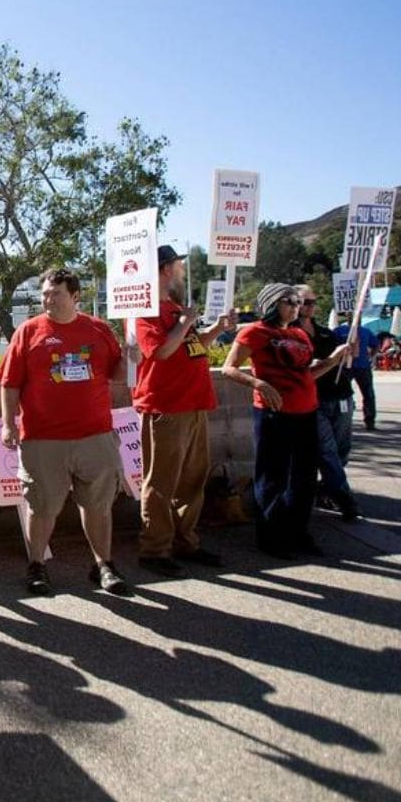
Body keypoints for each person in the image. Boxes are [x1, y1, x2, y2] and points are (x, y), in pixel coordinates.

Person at [0, 268, 131, 597]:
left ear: (75, 297)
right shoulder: (28, 332)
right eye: (44, 294)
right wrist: (7, 423)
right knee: (41, 507)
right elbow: (9, 382)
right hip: (43, 438)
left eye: (55, 294)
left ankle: (103, 565)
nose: (47, 299)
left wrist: (132, 358)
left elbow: (117, 375)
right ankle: (37, 566)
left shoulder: (98, 330)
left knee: (98, 505)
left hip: (95, 435)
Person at [221, 283, 351, 558]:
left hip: (306, 411)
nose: (296, 306)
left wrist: (332, 360)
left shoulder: (300, 334)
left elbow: (306, 373)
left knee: (303, 478)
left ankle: (298, 532)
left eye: (298, 301)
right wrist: (258, 384)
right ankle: (271, 538)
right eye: (289, 301)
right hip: (273, 413)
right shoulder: (254, 331)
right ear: (271, 304)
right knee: (272, 476)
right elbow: (229, 368)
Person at [132, 246, 233, 577]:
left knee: (192, 479)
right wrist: (184, 322)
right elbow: (160, 352)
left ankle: (185, 541)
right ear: (165, 269)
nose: (181, 271)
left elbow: (192, 347)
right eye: (177, 265)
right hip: (166, 406)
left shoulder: (174, 308)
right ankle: (154, 550)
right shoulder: (146, 311)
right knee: (161, 481)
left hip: (194, 404)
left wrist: (216, 328)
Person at [295, 286, 358, 521]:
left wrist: (350, 348)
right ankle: (344, 498)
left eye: (313, 301)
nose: (309, 306)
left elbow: (346, 359)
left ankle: (327, 490)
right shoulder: (290, 333)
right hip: (314, 400)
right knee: (327, 451)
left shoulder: (324, 332)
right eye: (304, 301)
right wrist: (330, 361)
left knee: (342, 450)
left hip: (341, 395)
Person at [332, 311, 378, 429]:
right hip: (346, 366)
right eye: (353, 317)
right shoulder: (339, 331)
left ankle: (370, 420)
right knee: (343, 393)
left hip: (363, 367)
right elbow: (332, 345)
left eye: (358, 317)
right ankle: (343, 417)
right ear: (348, 318)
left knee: (368, 394)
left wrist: (371, 356)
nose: (356, 319)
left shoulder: (365, 331)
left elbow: (375, 344)